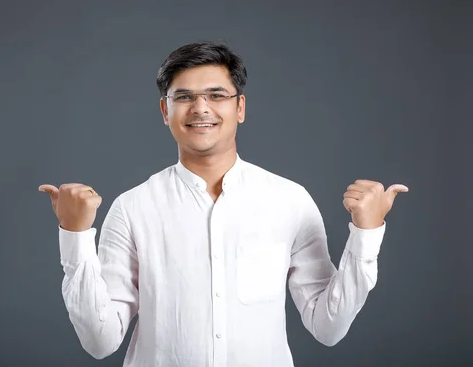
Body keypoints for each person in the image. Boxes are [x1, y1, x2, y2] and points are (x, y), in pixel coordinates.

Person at [38, 41, 408, 367]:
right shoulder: (133, 208)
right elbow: (100, 342)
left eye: (216, 95)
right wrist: (76, 235)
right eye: (183, 97)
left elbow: (328, 327)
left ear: (240, 107)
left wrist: (366, 234)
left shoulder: (289, 201)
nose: (201, 108)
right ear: (165, 111)